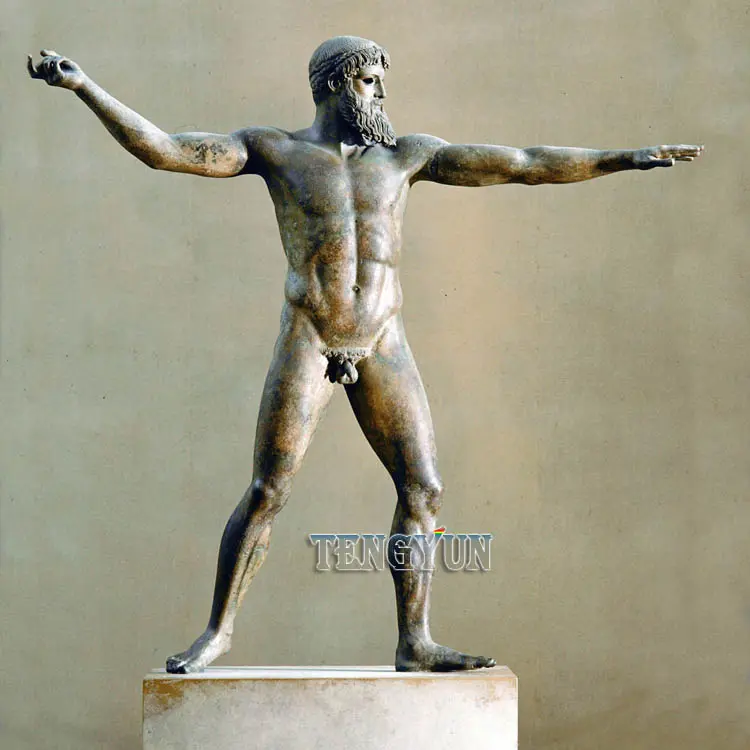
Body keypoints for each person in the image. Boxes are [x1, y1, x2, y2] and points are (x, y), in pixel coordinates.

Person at [28, 36, 702, 673]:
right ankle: (218, 632)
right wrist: (85, 86)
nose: (380, 94)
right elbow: (165, 150)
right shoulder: (274, 149)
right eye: (370, 82)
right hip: (313, 334)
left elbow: (522, 163)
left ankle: (415, 641)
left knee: (424, 487)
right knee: (268, 490)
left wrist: (620, 158)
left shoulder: (407, 156)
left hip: (382, 339)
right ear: (334, 85)